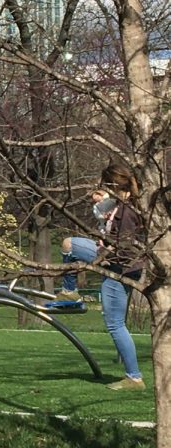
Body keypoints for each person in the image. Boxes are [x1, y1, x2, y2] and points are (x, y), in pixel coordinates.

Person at [57, 163, 146, 391]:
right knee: (69, 244)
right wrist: (98, 198)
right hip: (108, 255)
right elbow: (100, 211)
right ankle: (71, 291)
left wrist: (100, 259)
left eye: (106, 186)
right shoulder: (119, 203)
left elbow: (125, 248)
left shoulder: (128, 211)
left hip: (120, 268)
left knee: (115, 324)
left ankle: (134, 377)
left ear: (115, 184)